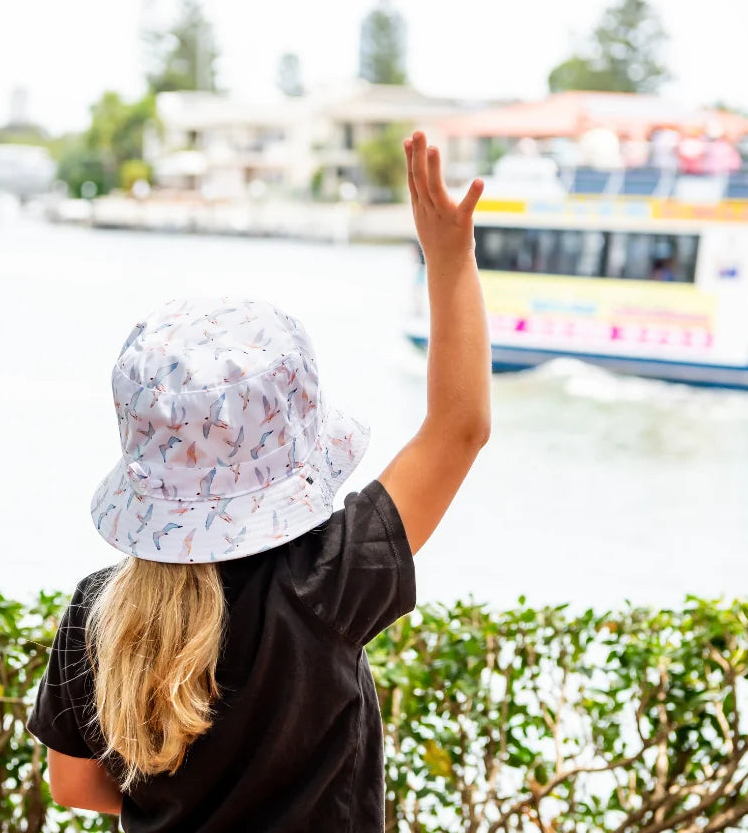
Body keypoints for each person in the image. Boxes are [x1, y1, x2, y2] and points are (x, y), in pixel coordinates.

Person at [26, 131, 492, 831]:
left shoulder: (100, 610)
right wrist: (450, 260)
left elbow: (73, 785)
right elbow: (458, 428)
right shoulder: (326, 581)